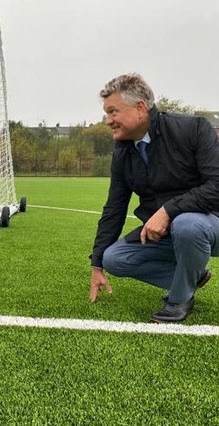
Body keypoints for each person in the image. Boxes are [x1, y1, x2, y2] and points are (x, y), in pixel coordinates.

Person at [89, 73, 219, 323]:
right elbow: (114, 208)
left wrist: (168, 211)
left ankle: (179, 299)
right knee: (114, 258)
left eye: (113, 112)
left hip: (211, 224)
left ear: (140, 108)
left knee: (187, 223)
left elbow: (217, 186)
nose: (108, 120)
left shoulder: (193, 129)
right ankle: (191, 275)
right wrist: (97, 264)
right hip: (169, 234)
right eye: (106, 113)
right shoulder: (123, 151)